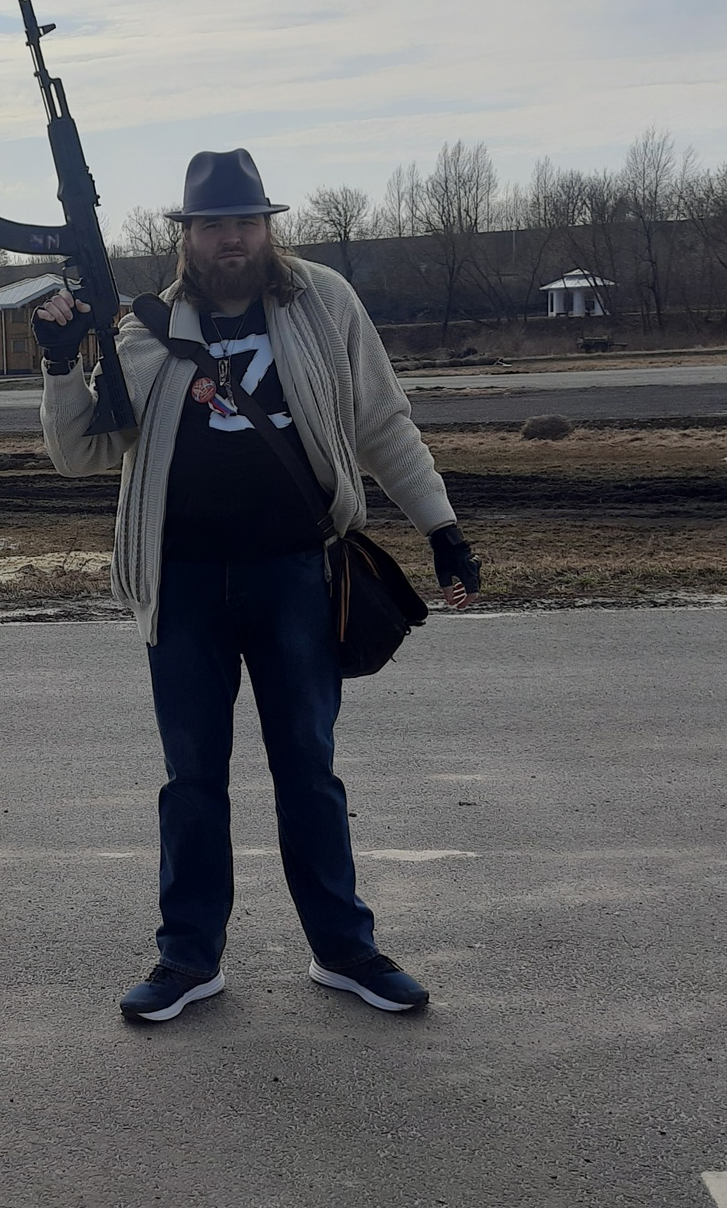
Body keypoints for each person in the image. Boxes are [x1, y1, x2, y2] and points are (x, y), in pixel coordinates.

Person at [34, 148, 481, 1023]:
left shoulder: (323, 304)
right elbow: (80, 452)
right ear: (187, 235)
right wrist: (59, 363)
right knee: (192, 778)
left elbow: (383, 423)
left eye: (245, 221)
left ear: (268, 228)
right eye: (213, 225)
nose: (231, 238)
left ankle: (345, 949)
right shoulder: (145, 329)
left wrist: (443, 527)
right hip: (182, 585)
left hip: (296, 576)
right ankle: (188, 958)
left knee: (308, 769)